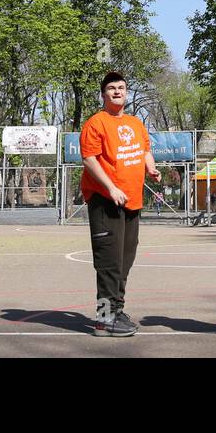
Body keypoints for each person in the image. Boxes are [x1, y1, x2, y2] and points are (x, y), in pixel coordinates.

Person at [80, 71, 161, 338]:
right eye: (112, 88)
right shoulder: (96, 123)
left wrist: (151, 168)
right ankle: (104, 319)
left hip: (132, 202)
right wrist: (111, 187)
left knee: (125, 260)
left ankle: (116, 309)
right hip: (105, 202)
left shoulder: (136, 123)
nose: (117, 91)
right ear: (104, 94)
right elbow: (90, 160)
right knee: (108, 263)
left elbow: (145, 150)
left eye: (122, 87)